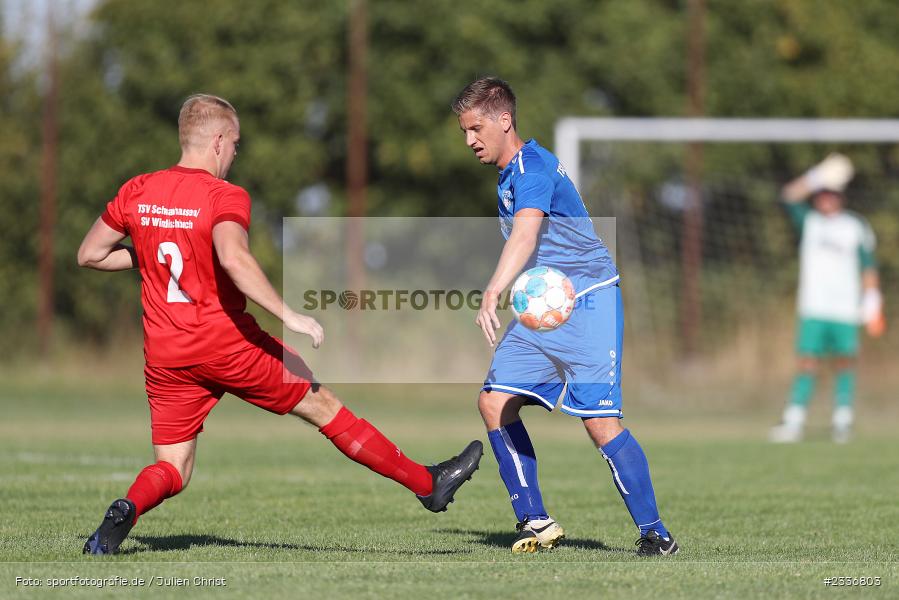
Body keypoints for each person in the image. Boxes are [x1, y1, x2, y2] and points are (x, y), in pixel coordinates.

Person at [77, 94, 482, 555]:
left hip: (166, 354)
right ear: (218, 141)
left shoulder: (139, 189)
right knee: (325, 407)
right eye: (235, 145)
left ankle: (126, 509)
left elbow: (89, 254)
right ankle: (427, 484)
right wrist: (288, 314)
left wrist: (149, 254)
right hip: (227, 344)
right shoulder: (222, 195)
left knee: (173, 468)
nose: (235, 155)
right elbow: (233, 257)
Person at [451, 78, 677, 556]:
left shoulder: (533, 167)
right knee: (494, 402)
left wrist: (493, 290)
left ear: (503, 120)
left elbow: (527, 234)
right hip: (545, 309)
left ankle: (656, 533)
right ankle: (535, 521)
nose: (469, 140)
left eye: (475, 128)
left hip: (589, 301)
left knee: (599, 424)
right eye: (464, 131)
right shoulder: (508, 172)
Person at [769, 153, 883, 444]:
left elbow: (868, 265)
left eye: (832, 194)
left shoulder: (855, 226)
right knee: (808, 362)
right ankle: (794, 420)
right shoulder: (810, 222)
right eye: (822, 195)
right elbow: (788, 196)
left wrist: (872, 299)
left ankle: (842, 421)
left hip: (845, 309)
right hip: (814, 307)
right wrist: (818, 175)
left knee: (844, 363)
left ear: (840, 198)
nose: (826, 200)